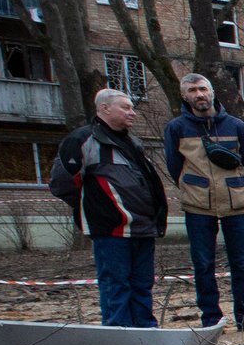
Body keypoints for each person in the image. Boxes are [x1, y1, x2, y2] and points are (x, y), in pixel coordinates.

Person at [50, 88, 167, 329]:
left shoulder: (133, 143)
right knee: (116, 284)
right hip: (111, 231)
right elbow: (62, 184)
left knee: (142, 283)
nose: (132, 113)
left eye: (132, 108)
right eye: (125, 107)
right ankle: (118, 333)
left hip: (143, 228)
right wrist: (97, 208)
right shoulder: (83, 140)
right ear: (104, 108)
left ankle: (146, 331)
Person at [164, 73, 244, 331]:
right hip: (198, 205)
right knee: (203, 263)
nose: (199, 94)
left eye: (202, 89)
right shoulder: (177, 128)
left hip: (236, 203)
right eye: (192, 90)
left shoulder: (236, 126)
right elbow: (175, 168)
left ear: (211, 92)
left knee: (240, 262)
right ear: (184, 96)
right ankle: (210, 318)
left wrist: (237, 186)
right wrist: (196, 189)